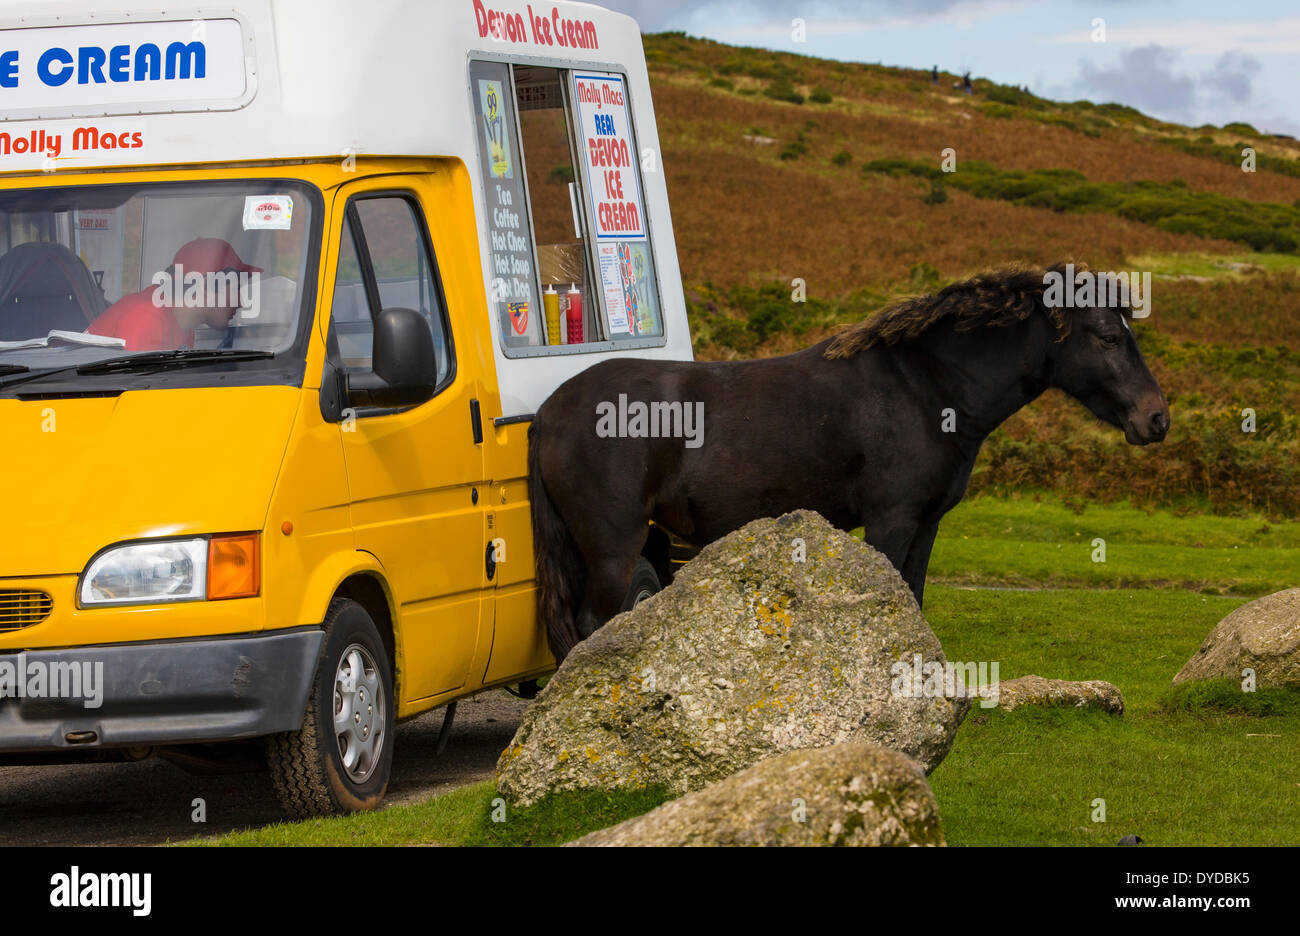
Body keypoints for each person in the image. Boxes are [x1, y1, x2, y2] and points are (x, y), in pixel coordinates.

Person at [88, 238, 261, 351]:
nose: (242, 301)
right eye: (237, 287)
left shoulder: (184, 322)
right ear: (204, 288)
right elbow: (137, 397)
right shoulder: (146, 317)